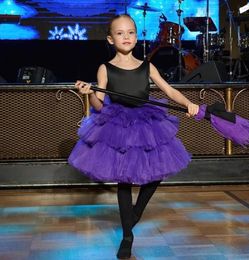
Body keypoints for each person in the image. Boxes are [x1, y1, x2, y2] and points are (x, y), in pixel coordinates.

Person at [68, 14, 199, 259]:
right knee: (124, 180)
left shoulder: (147, 65)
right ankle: (128, 235)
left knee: (157, 172)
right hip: (118, 124)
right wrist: (89, 94)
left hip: (146, 123)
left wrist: (189, 103)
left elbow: (169, 90)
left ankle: (135, 213)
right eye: (120, 33)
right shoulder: (105, 68)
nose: (126, 37)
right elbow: (100, 106)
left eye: (130, 32)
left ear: (137, 36)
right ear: (110, 38)